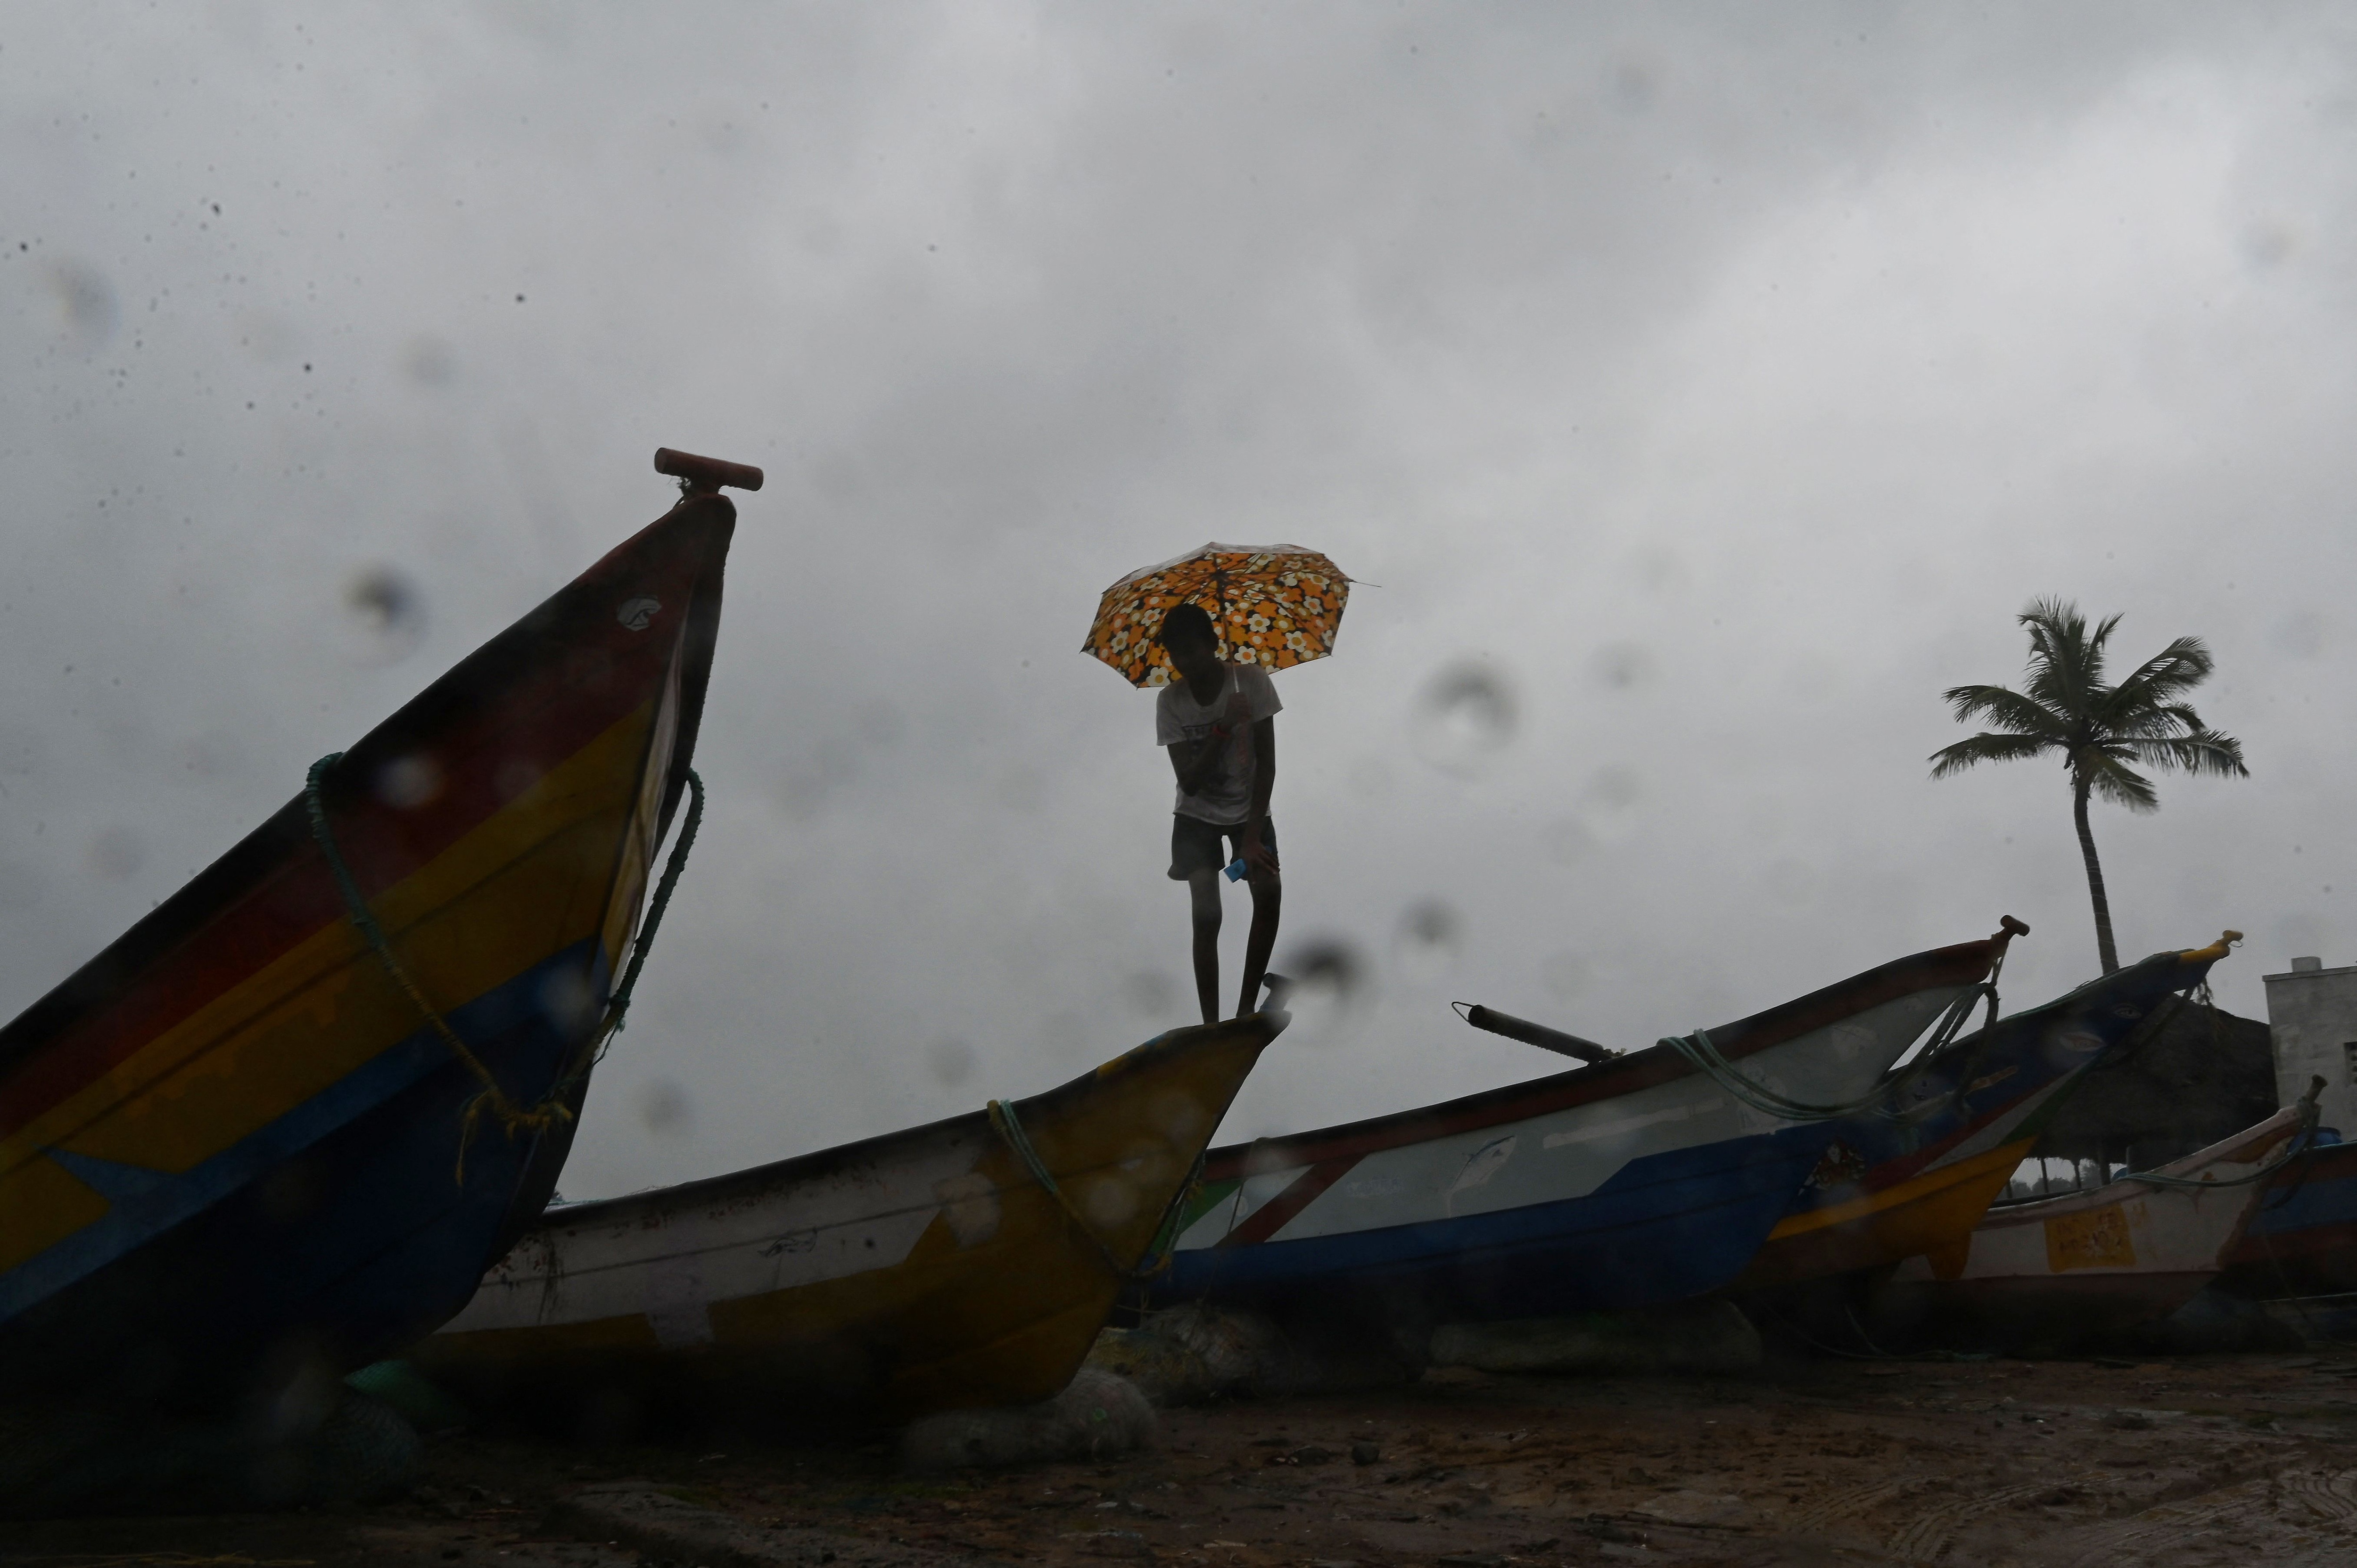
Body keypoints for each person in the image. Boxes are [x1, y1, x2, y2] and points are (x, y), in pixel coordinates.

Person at [1154, 602, 1282, 1023]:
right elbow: (1188, 781)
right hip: (1196, 817)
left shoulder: (1251, 682)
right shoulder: (1170, 701)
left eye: (1191, 651)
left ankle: (1245, 1009)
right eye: (1176, 655)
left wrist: (1250, 838)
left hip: (1250, 810)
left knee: (1268, 892)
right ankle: (1211, 1024)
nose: (1184, 662)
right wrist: (1224, 727)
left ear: (1213, 644)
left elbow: (1267, 765)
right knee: (1208, 913)